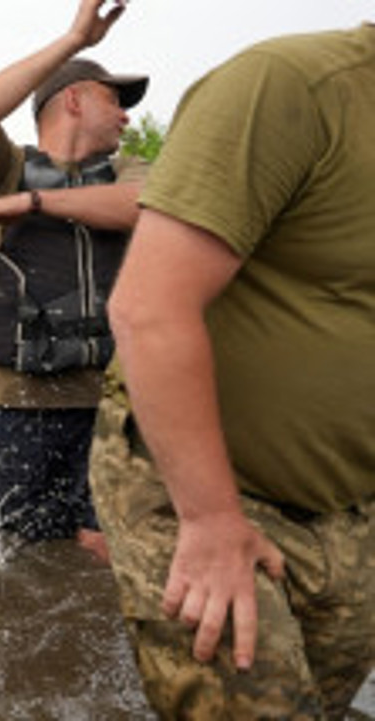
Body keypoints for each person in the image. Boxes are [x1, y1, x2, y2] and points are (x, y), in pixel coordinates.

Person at [90, 23, 375, 718]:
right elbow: (149, 308)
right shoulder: (289, 88)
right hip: (202, 490)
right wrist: (210, 519)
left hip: (352, 507)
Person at [0, 0, 147, 561]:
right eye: (116, 100)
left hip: (114, 405)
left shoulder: (129, 173)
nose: (127, 117)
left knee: (103, 553)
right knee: (22, 564)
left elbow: (148, 204)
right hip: (19, 408)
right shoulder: (1, 171)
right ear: (75, 99)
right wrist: (74, 41)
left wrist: (34, 202)